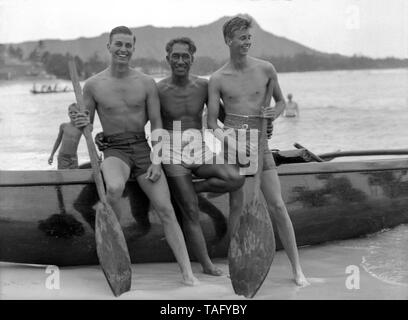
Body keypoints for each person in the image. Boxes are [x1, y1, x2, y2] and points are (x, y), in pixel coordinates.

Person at [73, 26, 198, 286]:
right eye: (118, 44)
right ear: (109, 46)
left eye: (128, 45)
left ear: (133, 48)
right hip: (115, 150)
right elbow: (84, 121)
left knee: (165, 208)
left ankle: (187, 272)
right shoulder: (94, 84)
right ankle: (111, 243)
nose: (123, 49)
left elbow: (156, 123)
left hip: (143, 149)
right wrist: (76, 116)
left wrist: (156, 159)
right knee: (116, 187)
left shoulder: (145, 83)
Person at [207, 15, 309, 286]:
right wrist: (232, 142)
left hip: (260, 142)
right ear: (229, 40)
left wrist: (273, 114)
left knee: (276, 204)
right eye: (242, 37)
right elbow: (211, 123)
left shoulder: (266, 69)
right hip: (233, 146)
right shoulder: (217, 78)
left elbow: (280, 103)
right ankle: (238, 264)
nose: (247, 42)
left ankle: (297, 268)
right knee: (237, 206)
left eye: (249, 37)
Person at [157, 37, 244, 276]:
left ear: (192, 59)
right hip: (172, 152)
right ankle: (205, 264)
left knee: (235, 178)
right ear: (168, 59)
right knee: (191, 211)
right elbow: (141, 119)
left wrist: (257, 126)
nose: (181, 61)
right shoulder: (159, 89)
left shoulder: (204, 86)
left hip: (200, 148)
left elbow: (226, 117)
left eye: (186, 56)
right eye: (176, 56)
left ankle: (191, 189)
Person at [48, 103, 83, 169]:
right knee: (63, 176)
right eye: (71, 112)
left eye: (75, 112)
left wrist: (95, 156)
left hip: (74, 157)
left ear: (80, 114)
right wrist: (52, 155)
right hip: (63, 157)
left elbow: (89, 138)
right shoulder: (64, 126)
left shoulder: (81, 128)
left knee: (75, 177)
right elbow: (58, 141)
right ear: (68, 114)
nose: (73, 114)